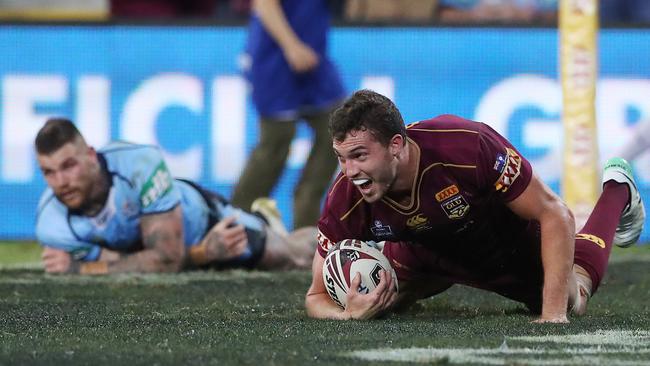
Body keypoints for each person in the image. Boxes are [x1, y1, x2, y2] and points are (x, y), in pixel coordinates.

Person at [304, 89, 645, 322]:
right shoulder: (345, 196)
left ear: (396, 145)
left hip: (503, 246)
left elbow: (555, 214)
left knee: (574, 298)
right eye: (342, 159)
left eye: (359, 156)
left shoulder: (466, 146)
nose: (350, 172)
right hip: (423, 254)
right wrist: (347, 314)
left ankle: (617, 191)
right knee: (383, 306)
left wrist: (552, 314)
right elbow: (315, 296)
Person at [35, 118, 316, 275]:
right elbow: (117, 260)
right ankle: (264, 221)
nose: (61, 182)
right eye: (49, 172)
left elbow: (165, 261)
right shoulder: (51, 224)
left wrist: (80, 269)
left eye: (68, 166)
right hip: (191, 249)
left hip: (206, 223)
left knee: (288, 257)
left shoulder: (138, 164)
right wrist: (204, 254)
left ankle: (344, 241)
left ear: (91, 156)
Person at [232, 0, 346, 229]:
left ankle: (307, 222)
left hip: (314, 52)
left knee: (338, 129)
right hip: (274, 56)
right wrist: (291, 45)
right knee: (275, 143)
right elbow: (264, 4)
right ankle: (236, 222)